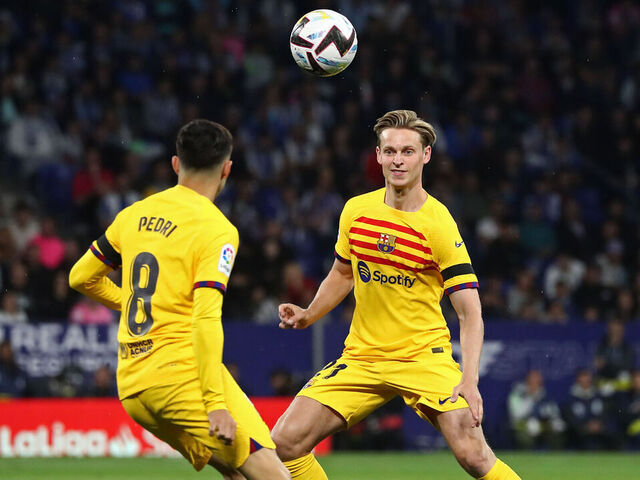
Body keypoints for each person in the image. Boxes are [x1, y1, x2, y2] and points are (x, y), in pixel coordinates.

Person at [272, 110, 521, 480]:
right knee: (284, 443)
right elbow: (343, 273)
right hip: (363, 356)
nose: (398, 160)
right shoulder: (356, 211)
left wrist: (469, 379)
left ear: (426, 156)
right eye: (390, 152)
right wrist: (309, 314)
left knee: (473, 456)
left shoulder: (438, 225)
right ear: (377, 156)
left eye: (407, 151)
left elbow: (470, 313)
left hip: (423, 356)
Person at [69, 119, 290, 480]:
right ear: (227, 169)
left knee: (237, 472)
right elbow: (205, 317)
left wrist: (132, 303)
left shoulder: (133, 214)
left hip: (133, 386)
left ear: (175, 163)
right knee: (271, 473)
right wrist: (214, 404)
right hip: (180, 376)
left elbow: (80, 277)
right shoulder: (215, 229)